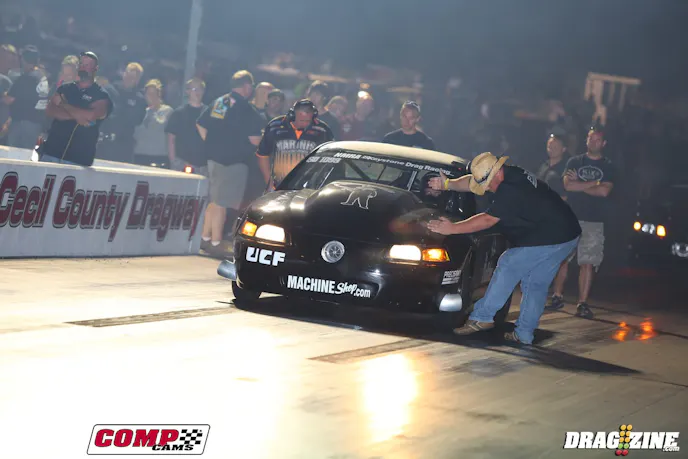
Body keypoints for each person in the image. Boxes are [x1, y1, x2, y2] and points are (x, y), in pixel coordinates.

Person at [425, 152, 581, 345]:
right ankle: (524, 334)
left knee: (509, 263)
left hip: (552, 234)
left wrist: (453, 228)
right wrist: (448, 184)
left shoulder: (511, 190)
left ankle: (482, 317)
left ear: (497, 172)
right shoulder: (505, 173)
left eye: (488, 183)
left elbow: (487, 220)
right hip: (566, 233)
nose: (486, 188)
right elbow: (472, 182)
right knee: (535, 284)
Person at [196, 70, 264, 249]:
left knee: (215, 200)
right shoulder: (246, 109)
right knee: (222, 203)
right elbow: (255, 139)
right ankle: (216, 241)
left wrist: (213, 144)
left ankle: (205, 237)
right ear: (247, 86)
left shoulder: (221, 102)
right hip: (233, 163)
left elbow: (201, 124)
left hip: (213, 159)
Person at [558, 128, 616, 319]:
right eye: (591, 138)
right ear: (586, 140)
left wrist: (580, 185)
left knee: (588, 262)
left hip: (594, 220)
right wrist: (594, 184)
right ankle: (557, 296)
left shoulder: (608, 166)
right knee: (562, 258)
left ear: (604, 143)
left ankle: (582, 303)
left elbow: (604, 192)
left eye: (597, 140)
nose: (593, 142)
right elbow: (568, 185)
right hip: (570, 217)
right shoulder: (574, 161)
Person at [39, 51, 112, 165]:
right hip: (51, 153)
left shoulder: (101, 95)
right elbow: (50, 110)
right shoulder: (65, 88)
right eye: (81, 64)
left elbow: (92, 116)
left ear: (96, 68)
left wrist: (64, 105)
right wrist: (79, 116)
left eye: (88, 65)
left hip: (78, 159)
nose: (83, 67)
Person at [256, 99, 334, 191]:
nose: (305, 123)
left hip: (309, 188)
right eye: (301, 120)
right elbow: (262, 155)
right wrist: (268, 181)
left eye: (308, 121)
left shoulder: (322, 130)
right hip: (278, 186)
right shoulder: (275, 126)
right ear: (292, 115)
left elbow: (331, 159)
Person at [536, 132, 573, 310]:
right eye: (550, 144)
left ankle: (557, 295)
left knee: (560, 258)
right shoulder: (543, 166)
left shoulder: (565, 168)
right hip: (540, 217)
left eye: (556, 144)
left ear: (564, 148)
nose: (552, 147)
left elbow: (566, 195)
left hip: (558, 217)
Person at [3, 45, 49, 149]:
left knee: (14, 153)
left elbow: (9, 100)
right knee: (26, 154)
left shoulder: (26, 78)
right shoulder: (41, 76)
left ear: (23, 60)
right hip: (35, 124)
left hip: (23, 125)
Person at [165, 77, 208, 174]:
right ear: (187, 91)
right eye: (194, 89)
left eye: (200, 89)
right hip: (182, 164)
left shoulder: (209, 113)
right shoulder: (178, 113)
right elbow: (171, 139)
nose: (197, 92)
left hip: (204, 166)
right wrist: (174, 161)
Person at [132, 79, 174, 167]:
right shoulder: (141, 111)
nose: (151, 97)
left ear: (159, 94)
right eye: (148, 94)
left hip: (159, 156)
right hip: (140, 155)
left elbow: (170, 135)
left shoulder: (167, 111)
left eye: (154, 93)